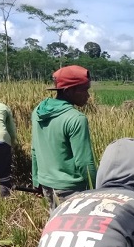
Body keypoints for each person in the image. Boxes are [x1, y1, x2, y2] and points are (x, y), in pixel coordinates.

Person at [32, 65, 97, 209]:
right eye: (84, 89)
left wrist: (36, 181)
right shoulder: (76, 118)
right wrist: (97, 188)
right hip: (71, 189)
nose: (88, 95)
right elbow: (84, 163)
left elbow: (35, 149)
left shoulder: (37, 111)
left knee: (57, 226)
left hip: (47, 184)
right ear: (69, 91)